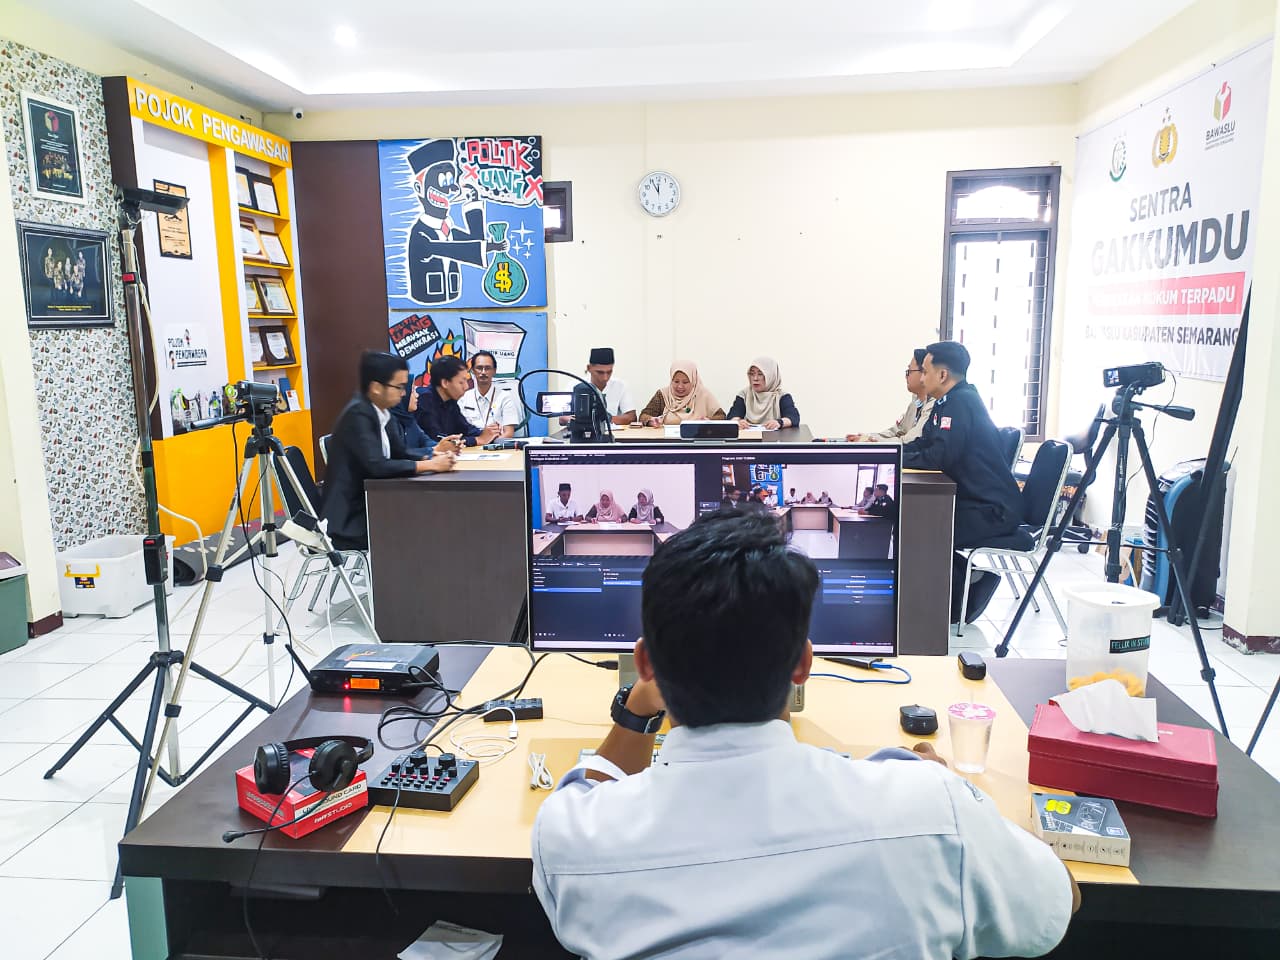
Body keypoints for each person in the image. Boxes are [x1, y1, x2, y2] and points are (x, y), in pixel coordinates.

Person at [531, 511, 1078, 959]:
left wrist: (635, 713)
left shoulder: (572, 836)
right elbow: (1059, 903)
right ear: (802, 664)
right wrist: (961, 799)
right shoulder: (928, 809)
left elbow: (589, 792)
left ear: (645, 663)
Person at [903, 341, 1023, 624]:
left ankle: (962, 595)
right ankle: (968, 582)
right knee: (917, 524)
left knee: (924, 530)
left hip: (992, 510)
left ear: (942, 375)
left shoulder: (961, 403)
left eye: (926, 371)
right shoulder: (949, 402)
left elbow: (937, 458)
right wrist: (892, 454)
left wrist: (897, 459)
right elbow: (924, 444)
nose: (922, 378)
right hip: (974, 501)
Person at [321, 351, 456, 550]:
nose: (404, 393)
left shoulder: (383, 411)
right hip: (350, 518)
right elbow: (377, 466)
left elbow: (401, 452)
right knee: (425, 524)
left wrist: (433, 455)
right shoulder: (358, 414)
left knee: (429, 518)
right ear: (376, 387)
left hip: (374, 503)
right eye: (399, 387)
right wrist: (428, 464)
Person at [847, 349, 936, 443]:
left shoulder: (934, 403)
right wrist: (868, 437)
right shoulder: (916, 401)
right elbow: (898, 430)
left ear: (924, 372)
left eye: (909, 371)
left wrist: (873, 441)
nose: (906, 376)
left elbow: (910, 439)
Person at [415, 355, 503, 448]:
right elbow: (439, 441)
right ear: (445, 383)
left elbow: (465, 429)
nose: (466, 387)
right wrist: (477, 440)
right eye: (461, 382)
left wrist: (488, 433)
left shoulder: (450, 401)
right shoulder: (424, 398)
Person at [640, 361, 725, 426]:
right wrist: (651, 421)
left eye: (685, 382)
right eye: (676, 381)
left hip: (696, 441)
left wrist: (709, 421)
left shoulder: (703, 394)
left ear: (693, 381)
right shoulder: (663, 395)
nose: (680, 386)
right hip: (667, 442)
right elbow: (643, 416)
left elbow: (722, 416)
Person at [460, 350, 521, 439]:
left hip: (497, 449)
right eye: (479, 368)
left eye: (488, 368)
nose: (483, 372)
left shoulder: (505, 397)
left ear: (494, 371)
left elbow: (508, 434)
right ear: (472, 370)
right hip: (470, 448)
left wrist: (488, 445)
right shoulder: (464, 398)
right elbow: (459, 432)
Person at [727, 357, 799, 431]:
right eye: (752, 374)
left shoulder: (781, 395)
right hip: (750, 439)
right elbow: (733, 415)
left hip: (775, 439)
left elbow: (793, 417)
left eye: (760, 374)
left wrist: (779, 422)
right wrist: (737, 422)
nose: (755, 378)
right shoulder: (744, 394)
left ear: (771, 376)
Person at [388, 379, 432, 458]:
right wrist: (433, 450)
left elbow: (425, 440)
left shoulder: (409, 418)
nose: (417, 395)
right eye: (412, 391)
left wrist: (445, 445)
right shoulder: (390, 420)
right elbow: (400, 453)